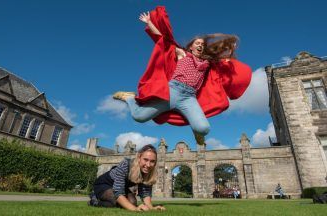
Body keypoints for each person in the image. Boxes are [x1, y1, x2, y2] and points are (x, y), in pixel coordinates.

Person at [113, 7, 252, 145]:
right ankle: (129, 97)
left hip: (188, 98)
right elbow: (163, 40)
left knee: (203, 129)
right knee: (138, 116)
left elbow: (221, 56)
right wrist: (149, 23)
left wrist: (229, 46)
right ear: (191, 46)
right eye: (197, 43)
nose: (200, 45)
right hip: (171, 92)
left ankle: (197, 133)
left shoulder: (207, 63)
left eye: (202, 44)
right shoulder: (182, 54)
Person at [88, 144, 165, 211]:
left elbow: (145, 192)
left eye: (152, 161)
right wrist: (135, 209)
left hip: (122, 187)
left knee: (132, 202)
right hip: (105, 184)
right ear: (139, 157)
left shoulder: (148, 172)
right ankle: (94, 200)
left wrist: (151, 208)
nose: (148, 165)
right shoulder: (126, 164)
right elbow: (118, 191)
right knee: (114, 202)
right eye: (145, 159)